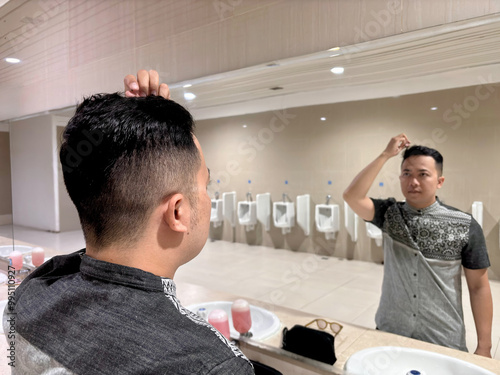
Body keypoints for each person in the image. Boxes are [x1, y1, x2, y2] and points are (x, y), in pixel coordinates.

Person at [7, 70, 255, 374]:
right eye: (206, 184)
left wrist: (139, 127)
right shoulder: (210, 364)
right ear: (177, 212)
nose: (209, 198)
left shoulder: (31, 294)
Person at [343, 134, 493, 357]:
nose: (413, 182)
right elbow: (352, 196)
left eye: (423, 175)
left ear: (439, 181)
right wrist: (385, 155)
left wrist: (484, 346)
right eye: (407, 174)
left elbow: (478, 287)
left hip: (442, 338)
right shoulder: (389, 214)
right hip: (391, 331)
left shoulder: (465, 225)